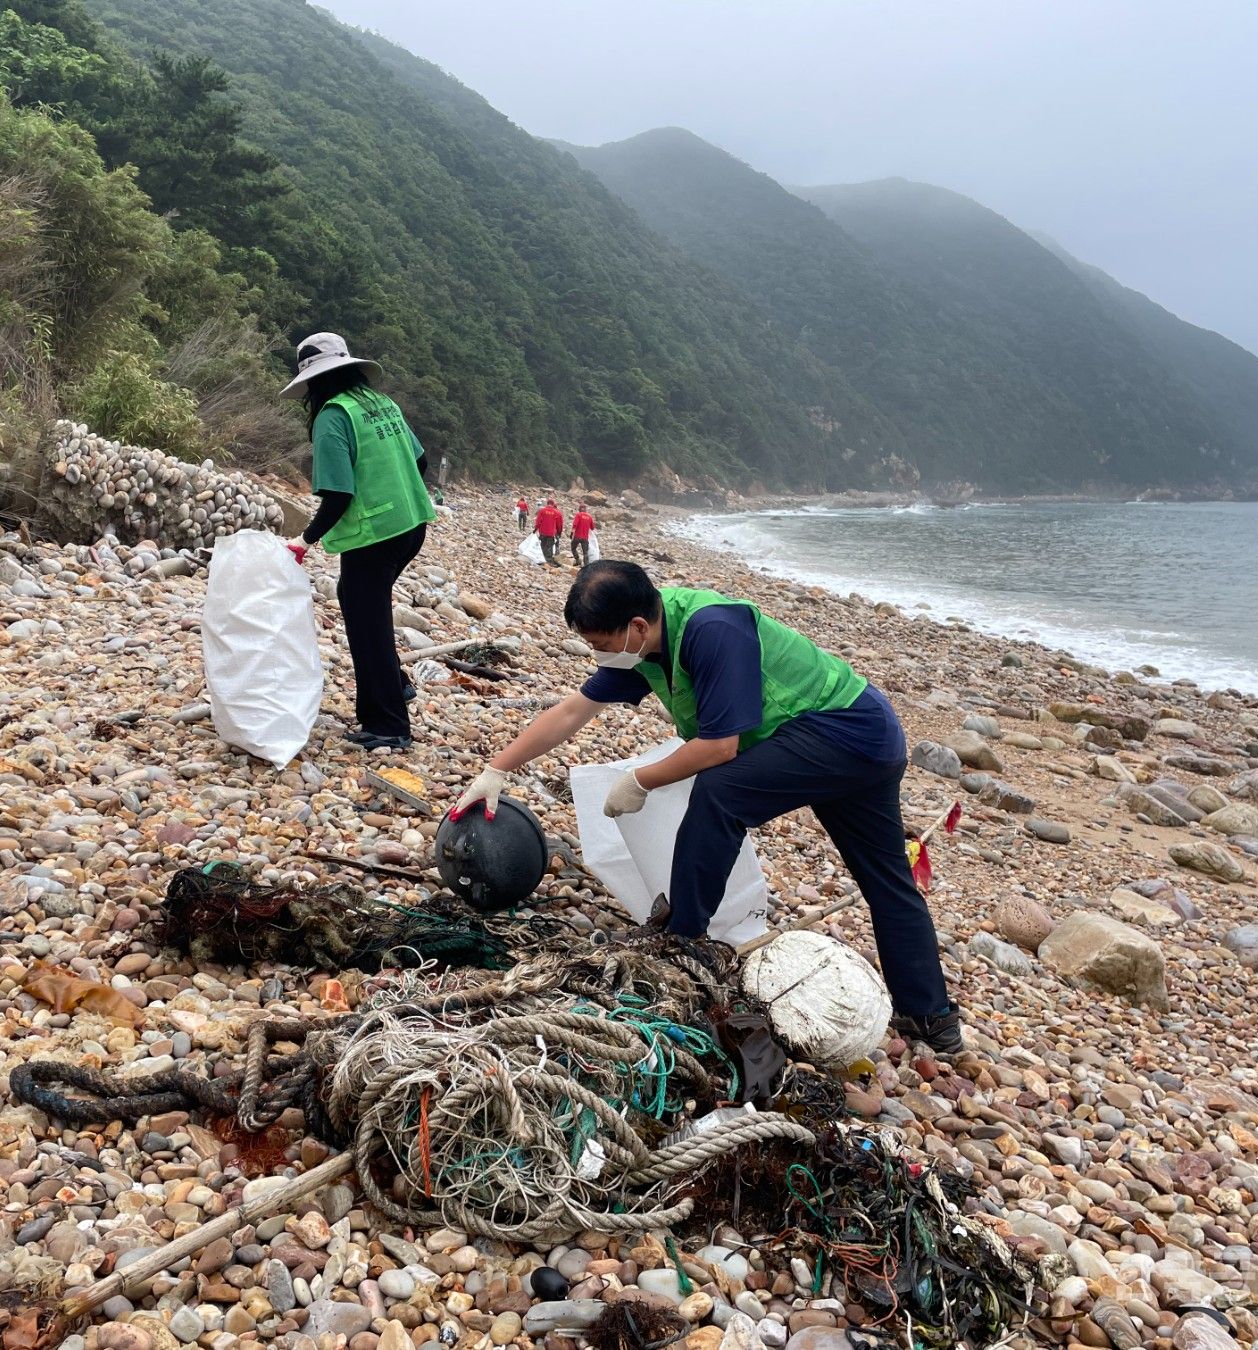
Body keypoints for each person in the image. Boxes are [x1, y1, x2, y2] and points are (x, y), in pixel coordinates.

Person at [449, 560, 962, 1055]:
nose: (598, 655)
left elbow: (720, 748)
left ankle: (683, 941)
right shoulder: (643, 647)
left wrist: (639, 780)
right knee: (883, 875)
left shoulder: (712, 630)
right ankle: (932, 1020)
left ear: (635, 625)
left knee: (720, 793)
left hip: (847, 732)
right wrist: (497, 769)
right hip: (860, 734)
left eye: (601, 644)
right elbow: (572, 711)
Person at [282, 332, 434, 751]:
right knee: (357, 600)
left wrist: (305, 540)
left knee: (369, 627)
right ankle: (394, 684)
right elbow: (419, 459)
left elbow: (338, 494)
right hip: (411, 526)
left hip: (375, 537)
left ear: (313, 381)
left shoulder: (334, 416)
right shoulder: (380, 403)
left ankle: (388, 726)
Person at [534, 497, 564, 566]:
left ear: (547, 503)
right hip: (551, 533)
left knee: (542, 545)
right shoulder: (557, 512)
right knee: (550, 547)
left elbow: (538, 521)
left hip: (542, 532)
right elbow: (559, 524)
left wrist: (536, 529)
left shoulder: (542, 511)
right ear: (553, 504)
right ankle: (549, 562)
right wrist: (559, 532)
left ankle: (541, 560)